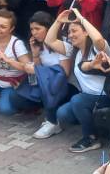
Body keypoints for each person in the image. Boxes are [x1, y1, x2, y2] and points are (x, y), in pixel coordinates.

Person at [43, 8, 110, 153]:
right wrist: (58, 21)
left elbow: (98, 39)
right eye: (69, 32)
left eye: (75, 31)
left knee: (77, 100)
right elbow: (49, 40)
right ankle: (95, 126)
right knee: (63, 113)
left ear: (85, 32)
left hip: (105, 98)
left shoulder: (97, 49)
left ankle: (91, 138)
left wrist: (81, 17)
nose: (71, 35)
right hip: (88, 99)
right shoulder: (73, 51)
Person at [14, 11, 74, 139]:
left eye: (38, 28)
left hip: (65, 86)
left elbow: (64, 74)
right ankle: (47, 115)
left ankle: (53, 122)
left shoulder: (62, 44)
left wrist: (37, 71)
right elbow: (39, 68)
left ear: (48, 28)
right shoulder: (38, 44)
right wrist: (35, 54)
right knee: (17, 97)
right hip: (48, 82)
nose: (34, 32)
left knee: (47, 87)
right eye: (32, 29)